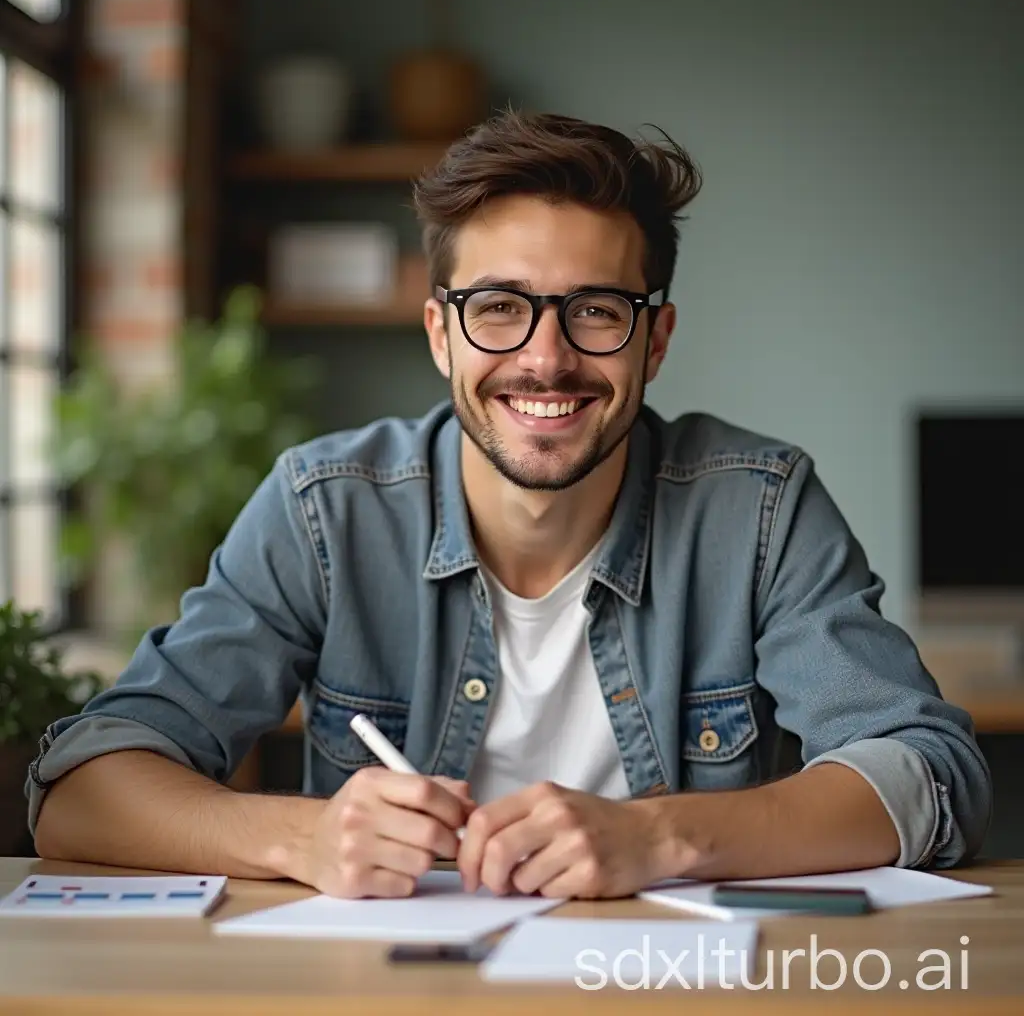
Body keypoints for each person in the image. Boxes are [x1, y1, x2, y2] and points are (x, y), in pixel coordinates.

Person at [30, 111, 991, 900]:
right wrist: (305, 836)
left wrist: (659, 837)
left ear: (653, 343)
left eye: (597, 311)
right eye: (499, 306)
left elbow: (927, 773)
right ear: (440, 335)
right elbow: (80, 791)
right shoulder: (327, 510)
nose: (545, 357)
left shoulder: (761, 510)